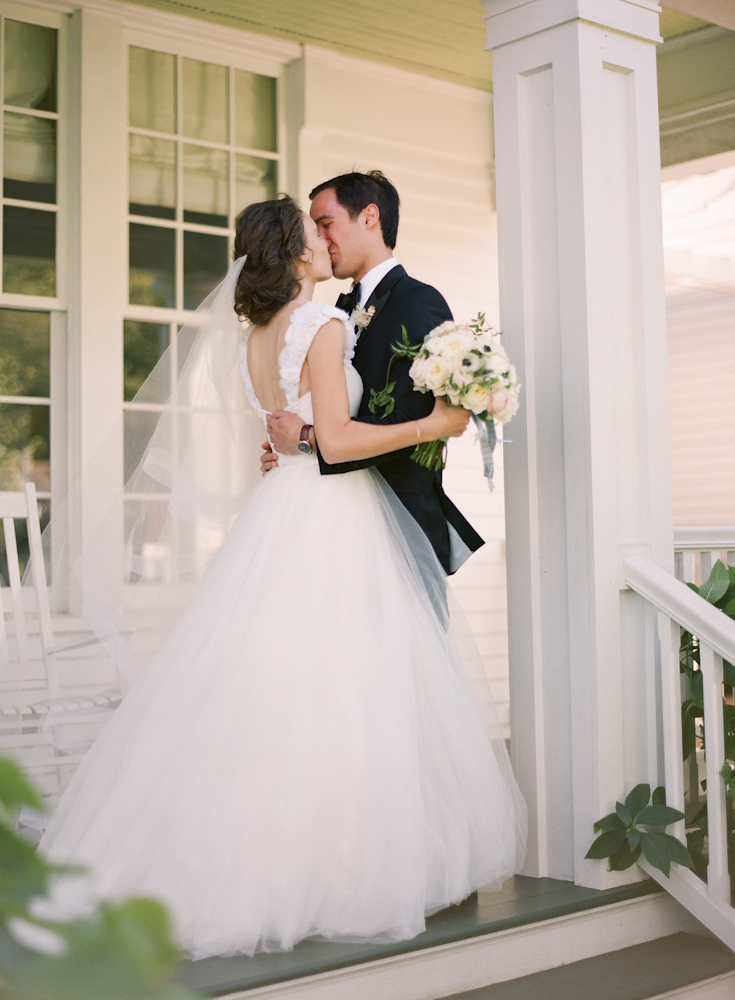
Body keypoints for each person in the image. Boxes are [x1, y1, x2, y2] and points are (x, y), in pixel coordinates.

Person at [39, 195, 526, 960]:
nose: (325, 241)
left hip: (280, 511)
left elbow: (295, 435)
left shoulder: (252, 338)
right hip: (332, 514)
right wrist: (435, 423)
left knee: (266, 690)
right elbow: (332, 436)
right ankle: (334, 866)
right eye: (314, 233)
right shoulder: (322, 324)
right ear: (298, 254)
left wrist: (298, 441)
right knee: (344, 691)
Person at [262, 171, 484, 575]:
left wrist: (309, 441)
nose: (321, 238)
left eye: (326, 224)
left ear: (369, 216)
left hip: (399, 528)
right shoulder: (333, 312)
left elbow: (415, 420)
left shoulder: (418, 301)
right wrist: (288, 456)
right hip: (337, 527)